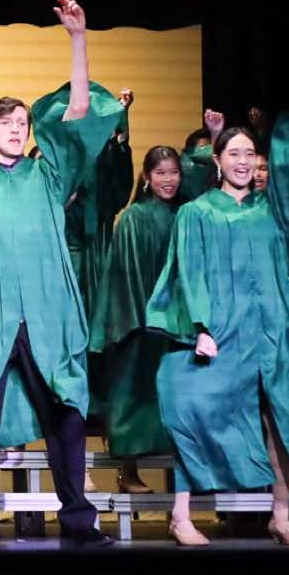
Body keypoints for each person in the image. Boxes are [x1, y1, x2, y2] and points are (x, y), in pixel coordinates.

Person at [0, 0, 120, 548]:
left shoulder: (48, 176)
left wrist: (78, 40)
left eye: (22, 123)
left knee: (66, 415)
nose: (16, 129)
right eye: (5, 123)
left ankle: (79, 521)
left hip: (45, 314)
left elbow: (79, 115)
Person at [145, 55, 289, 546]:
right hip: (222, 330)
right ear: (217, 160)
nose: (244, 161)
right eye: (234, 153)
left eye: (251, 153)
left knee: (280, 417)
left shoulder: (276, 210)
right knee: (193, 411)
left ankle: (281, 516)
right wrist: (200, 328)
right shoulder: (197, 213)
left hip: (272, 328)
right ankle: (181, 515)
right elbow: (188, 274)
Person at [88, 145, 189, 493]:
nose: (168, 180)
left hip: (179, 322)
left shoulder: (186, 215)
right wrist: (145, 319)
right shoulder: (134, 217)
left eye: (174, 172)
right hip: (142, 321)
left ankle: (183, 484)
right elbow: (127, 275)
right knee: (133, 395)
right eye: (160, 173)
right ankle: (127, 472)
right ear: (147, 177)